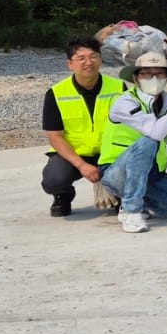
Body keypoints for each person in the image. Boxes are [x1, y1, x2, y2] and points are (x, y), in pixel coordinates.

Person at [97, 52, 167, 233]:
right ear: (136, 77)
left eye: (160, 73)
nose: (154, 78)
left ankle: (141, 202)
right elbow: (155, 132)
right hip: (116, 173)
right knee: (148, 143)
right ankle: (131, 210)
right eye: (147, 73)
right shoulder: (123, 102)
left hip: (152, 176)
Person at [41, 36, 126, 218]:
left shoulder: (120, 88)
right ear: (70, 64)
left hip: (111, 154)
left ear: (101, 59)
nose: (89, 62)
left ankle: (120, 195)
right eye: (81, 58)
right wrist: (82, 165)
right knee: (54, 180)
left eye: (93, 56)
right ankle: (63, 196)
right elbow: (55, 136)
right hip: (75, 154)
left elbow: (130, 128)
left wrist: (107, 168)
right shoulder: (56, 93)